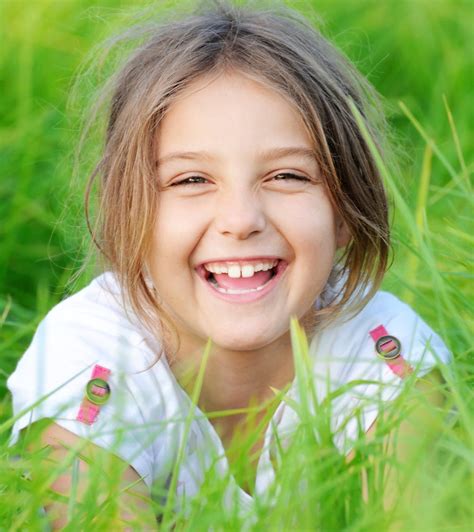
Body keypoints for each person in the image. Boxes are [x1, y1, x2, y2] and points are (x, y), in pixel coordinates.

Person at [7, 0, 451, 528]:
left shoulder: (384, 348)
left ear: (345, 210)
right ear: (130, 213)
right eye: (190, 180)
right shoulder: (85, 355)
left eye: (288, 176)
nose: (240, 220)